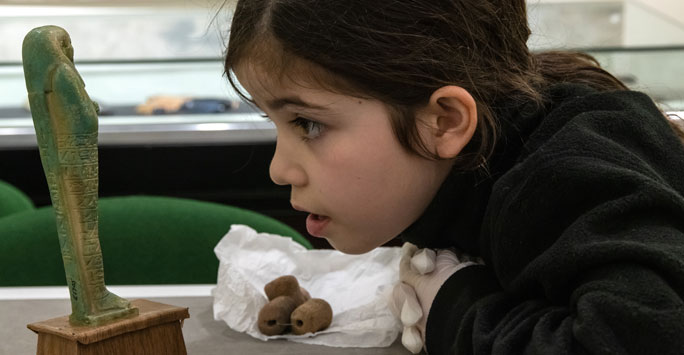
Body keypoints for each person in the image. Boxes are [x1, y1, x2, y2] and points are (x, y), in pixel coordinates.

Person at [223, 0, 684, 353]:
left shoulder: (564, 177)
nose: (278, 169)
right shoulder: (475, 163)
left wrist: (456, 310)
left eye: (308, 123)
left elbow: (643, 336)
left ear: (444, 122)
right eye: (275, 123)